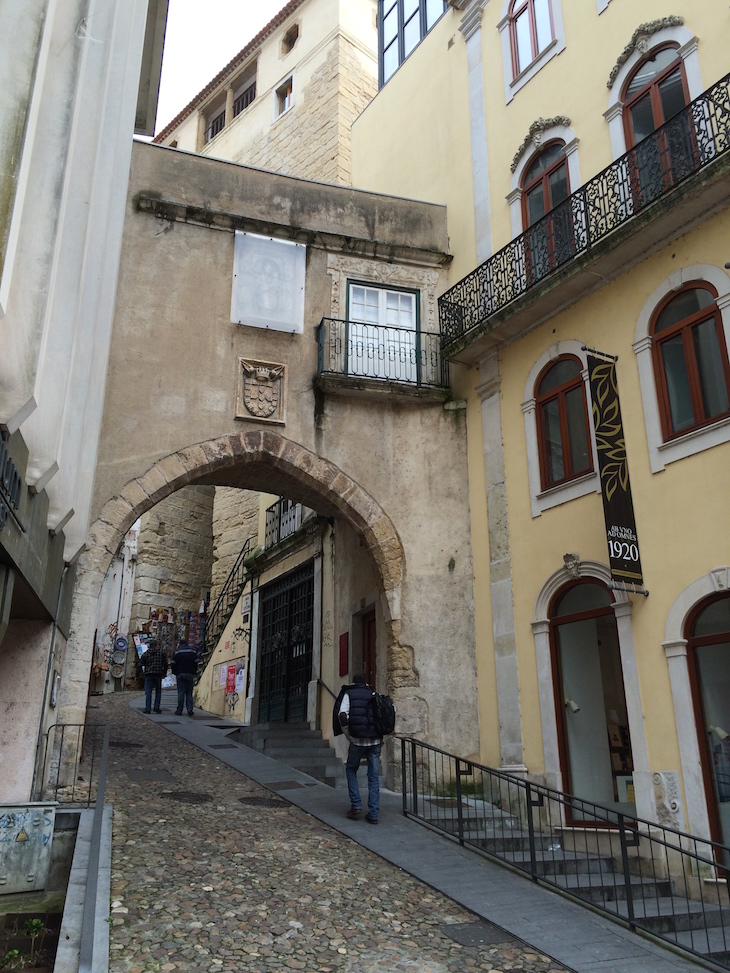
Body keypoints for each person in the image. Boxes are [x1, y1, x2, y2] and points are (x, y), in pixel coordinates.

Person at [337, 674, 382, 824]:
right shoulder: (373, 693)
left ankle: (356, 804)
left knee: (350, 769)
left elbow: (342, 715)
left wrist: (349, 735)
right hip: (375, 740)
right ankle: (374, 814)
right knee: (374, 776)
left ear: (353, 683)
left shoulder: (349, 694)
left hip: (357, 740)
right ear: (366, 683)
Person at [171, 639, 198, 716]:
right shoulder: (192, 651)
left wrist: (174, 672)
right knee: (189, 692)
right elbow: (196, 662)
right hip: (190, 673)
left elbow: (173, 663)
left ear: (180, 644)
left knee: (181, 692)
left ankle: (179, 710)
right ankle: (190, 709)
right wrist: (194, 671)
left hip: (180, 673)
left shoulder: (177, 652)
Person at [139, 639, 167, 714]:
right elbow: (165, 664)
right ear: (156, 645)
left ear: (149, 646)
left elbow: (140, 664)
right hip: (158, 674)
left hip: (149, 674)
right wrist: (164, 673)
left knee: (148, 692)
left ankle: (148, 708)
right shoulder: (162, 653)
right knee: (158, 691)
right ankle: (156, 707)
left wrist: (137, 675)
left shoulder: (146, 654)